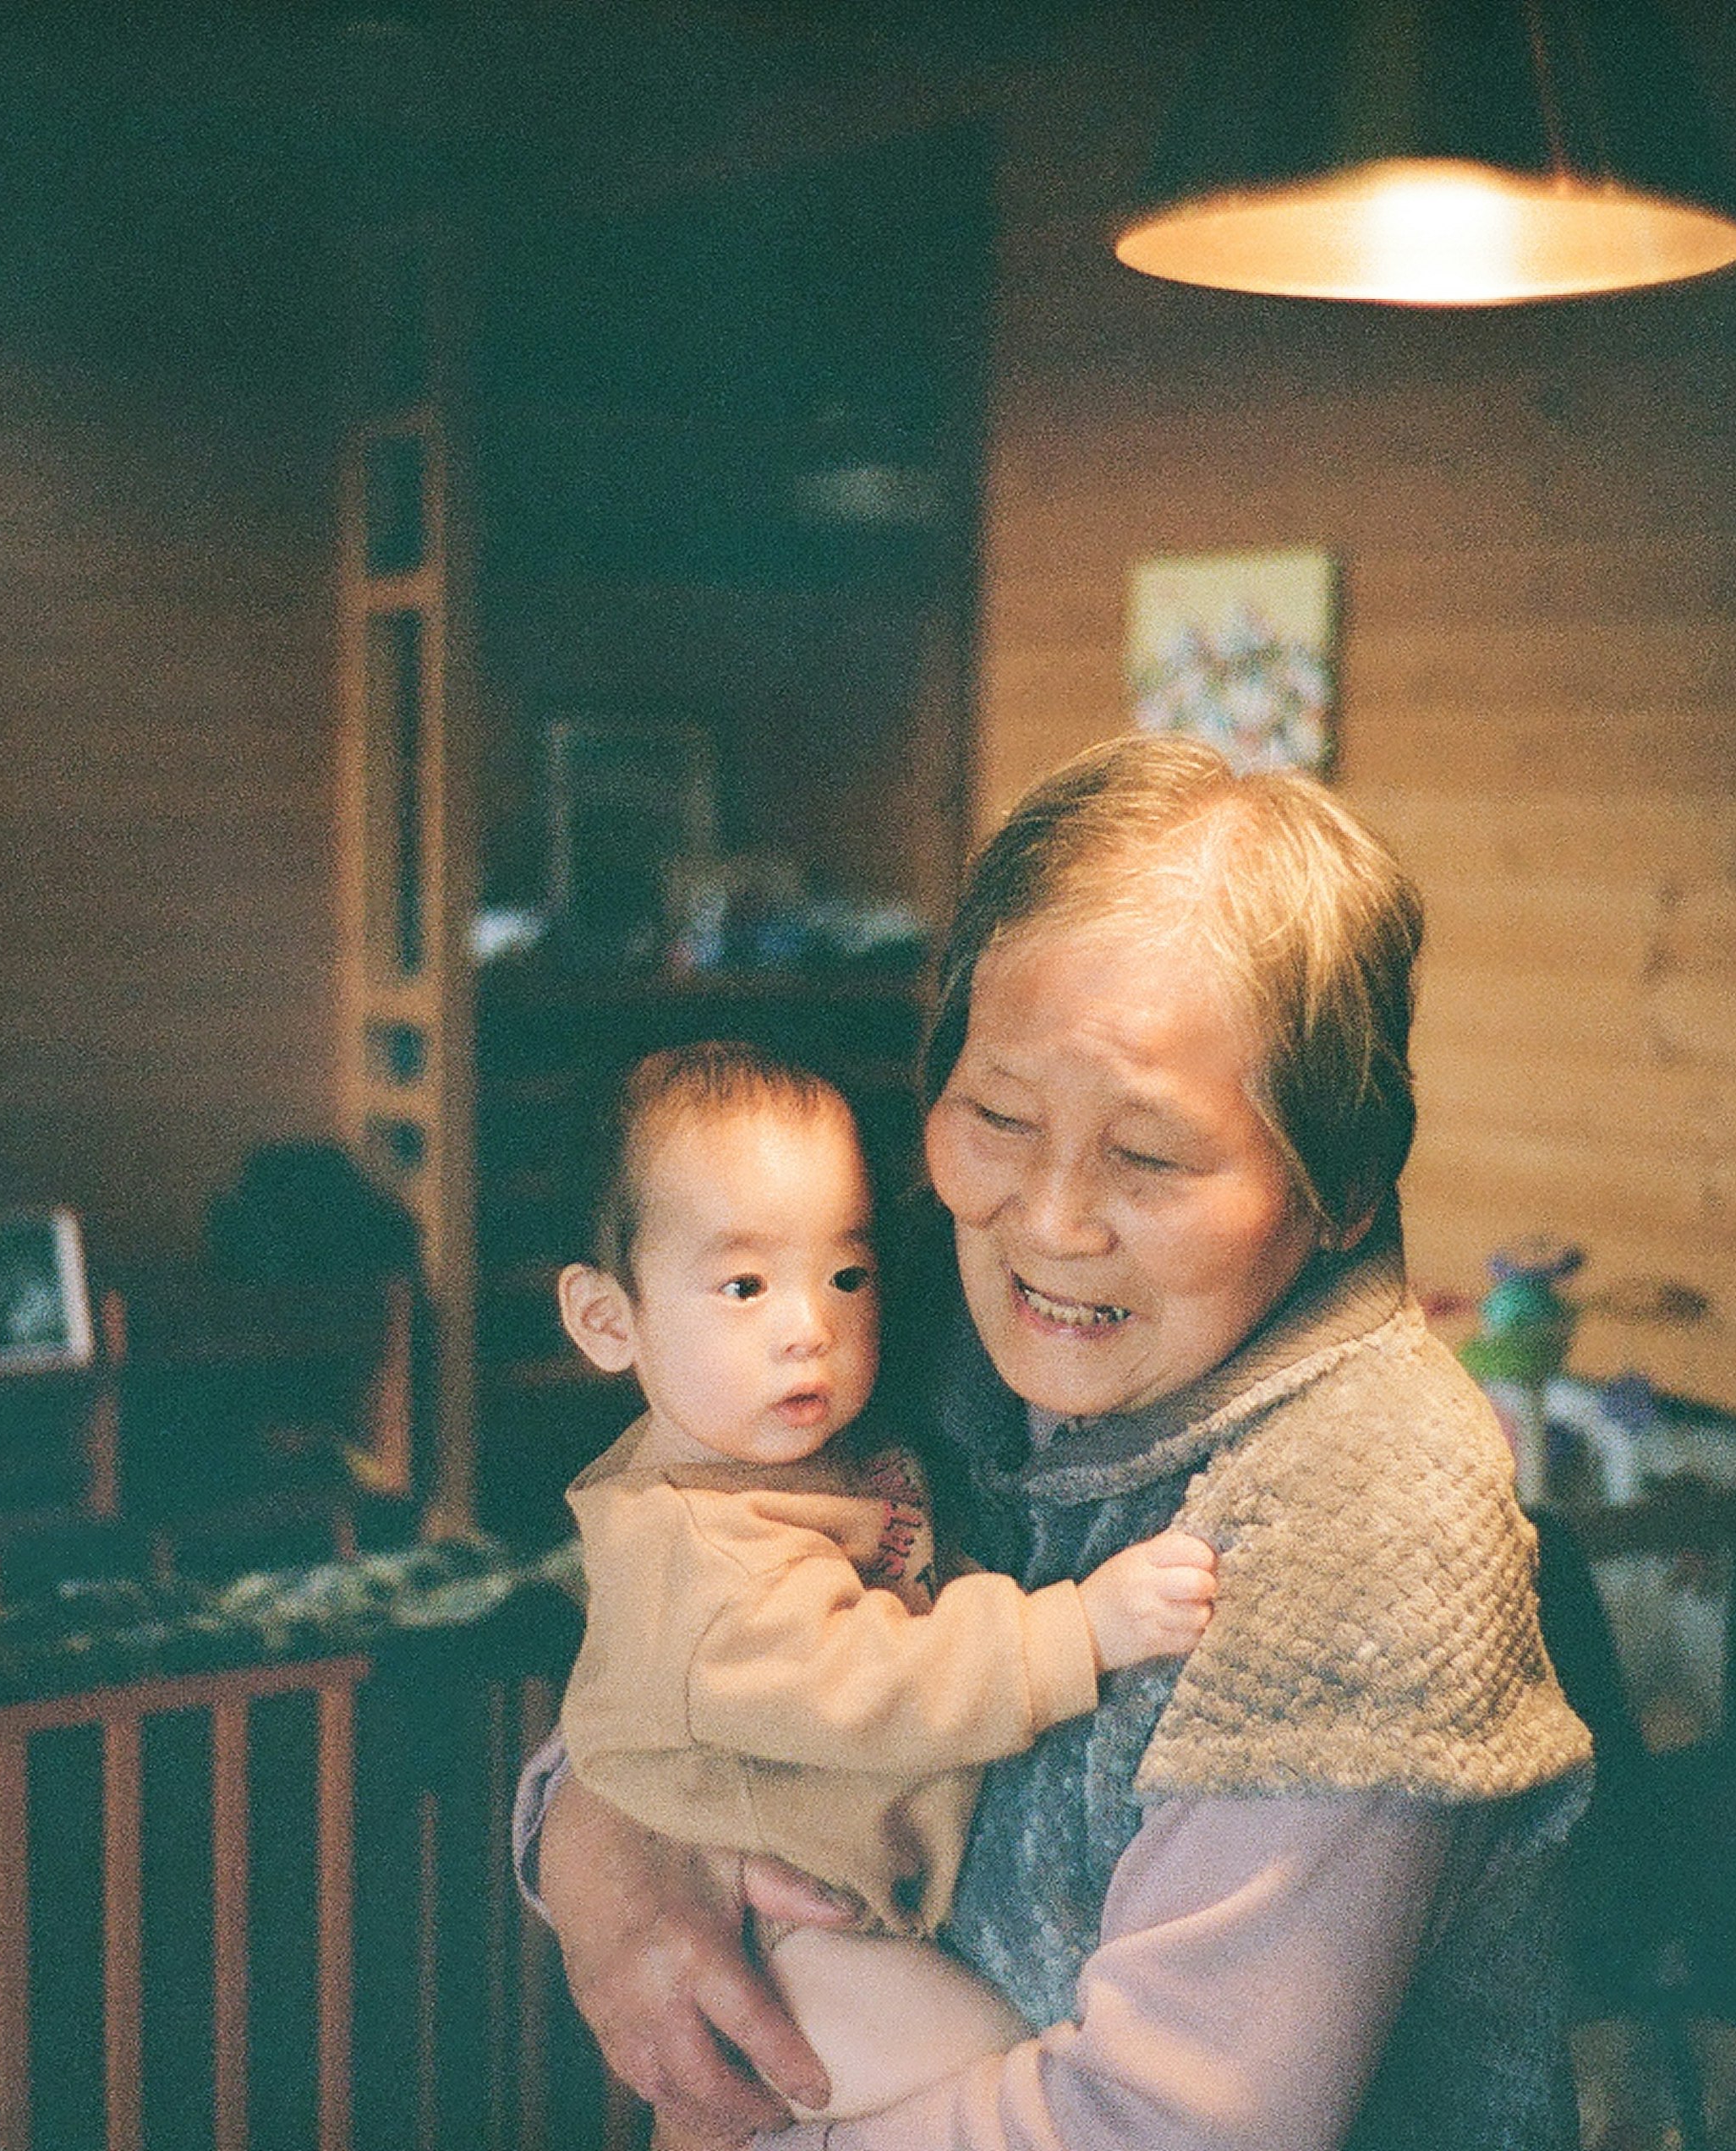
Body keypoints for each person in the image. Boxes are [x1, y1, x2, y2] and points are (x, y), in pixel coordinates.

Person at [529, 735, 1597, 2151]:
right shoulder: (906, 1305)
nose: (1051, 1217)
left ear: (1341, 1180)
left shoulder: (1361, 1509)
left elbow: (1167, 2127)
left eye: (1149, 1156)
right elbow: (670, 1623)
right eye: (998, 1114)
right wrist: (602, 1847)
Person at [551, 1041, 1223, 2120]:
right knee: (1015, 2073)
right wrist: (1082, 1632)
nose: (808, 1329)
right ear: (606, 1320)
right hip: (792, 1941)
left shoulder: (780, 1447)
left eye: (847, 1276)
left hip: (852, 1902)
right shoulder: (693, 1549)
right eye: (744, 1285)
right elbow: (866, 1680)